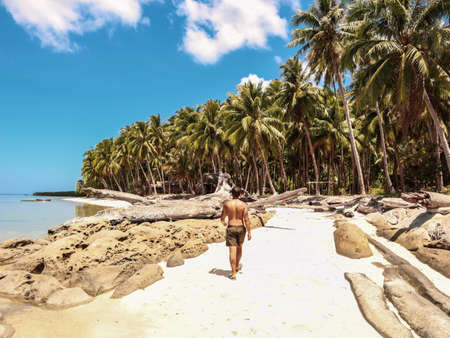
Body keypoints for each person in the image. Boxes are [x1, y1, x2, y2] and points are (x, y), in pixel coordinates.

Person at [220, 186, 251, 280]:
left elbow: (222, 218)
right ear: (240, 194)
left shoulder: (227, 204)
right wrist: (249, 232)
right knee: (239, 248)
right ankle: (237, 266)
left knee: (232, 251)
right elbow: (246, 219)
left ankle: (233, 273)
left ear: (231, 194)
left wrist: (224, 222)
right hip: (241, 227)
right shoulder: (244, 205)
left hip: (231, 227)